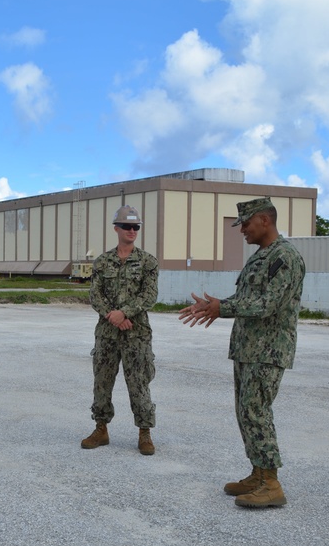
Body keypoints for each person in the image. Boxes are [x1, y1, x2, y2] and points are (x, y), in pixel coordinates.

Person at [178, 197, 305, 509]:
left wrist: (224, 308)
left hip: (268, 349)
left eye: (245, 223)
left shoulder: (284, 257)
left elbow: (268, 304)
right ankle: (259, 473)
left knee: (257, 411)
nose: (241, 230)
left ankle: (271, 483)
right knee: (246, 411)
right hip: (250, 348)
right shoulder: (262, 256)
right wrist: (215, 305)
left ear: (264, 220)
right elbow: (249, 296)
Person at [81, 205, 160, 455]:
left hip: (136, 333)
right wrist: (112, 316)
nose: (132, 231)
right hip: (107, 333)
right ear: (117, 228)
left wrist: (124, 312)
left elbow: (150, 295)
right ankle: (101, 429)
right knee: (102, 381)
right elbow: (95, 295)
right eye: (127, 226)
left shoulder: (148, 261)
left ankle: (144, 432)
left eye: (136, 227)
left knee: (139, 382)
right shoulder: (103, 262)